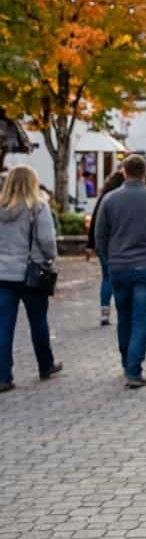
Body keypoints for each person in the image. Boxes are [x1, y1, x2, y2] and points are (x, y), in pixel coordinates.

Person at [94, 153, 146, 389]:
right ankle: (133, 368)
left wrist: (109, 259)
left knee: (125, 317)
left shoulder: (109, 199)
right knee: (142, 319)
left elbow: (100, 236)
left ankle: (126, 361)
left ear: (124, 172)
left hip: (119, 266)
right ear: (144, 173)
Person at [0, 165, 61, 392]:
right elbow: (47, 241)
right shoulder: (37, 207)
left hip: (3, 275)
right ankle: (45, 364)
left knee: (3, 326)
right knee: (38, 320)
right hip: (31, 273)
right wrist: (51, 259)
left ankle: (3, 376)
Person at [86, 170, 126, 326]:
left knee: (107, 278)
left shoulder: (104, 198)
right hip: (120, 244)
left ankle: (104, 312)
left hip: (104, 244)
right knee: (120, 279)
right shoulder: (123, 199)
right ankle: (122, 310)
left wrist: (91, 244)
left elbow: (95, 221)